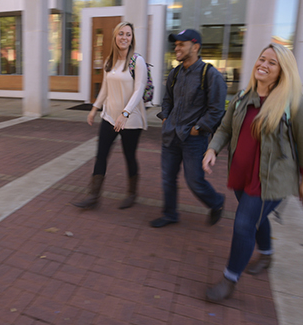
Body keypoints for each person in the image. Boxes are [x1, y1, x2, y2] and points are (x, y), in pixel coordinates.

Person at [203, 43, 303, 302]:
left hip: (271, 179)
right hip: (243, 175)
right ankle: (266, 253)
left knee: (244, 224)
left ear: (282, 71)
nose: (263, 65)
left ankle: (229, 279)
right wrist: (213, 149)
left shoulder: (295, 103)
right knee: (256, 218)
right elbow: (224, 129)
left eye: (272, 63)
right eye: (261, 59)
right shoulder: (243, 97)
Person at [150, 29, 227, 228]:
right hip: (170, 136)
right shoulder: (174, 73)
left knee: (194, 181)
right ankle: (170, 214)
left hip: (193, 139)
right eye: (175, 45)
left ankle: (216, 202)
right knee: (168, 179)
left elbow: (217, 109)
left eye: (181, 44)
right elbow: (167, 99)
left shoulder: (209, 74)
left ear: (195, 47)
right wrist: (166, 118)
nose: (176, 48)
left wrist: (198, 129)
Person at [71, 21, 148, 210]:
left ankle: (132, 193)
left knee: (129, 156)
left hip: (131, 119)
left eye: (128, 34)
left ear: (132, 39)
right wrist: (94, 108)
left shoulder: (137, 61)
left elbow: (139, 90)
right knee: (101, 155)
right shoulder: (109, 61)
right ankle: (93, 196)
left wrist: (125, 113)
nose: (124, 38)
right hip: (109, 117)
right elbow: (105, 89)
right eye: (121, 34)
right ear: (115, 37)